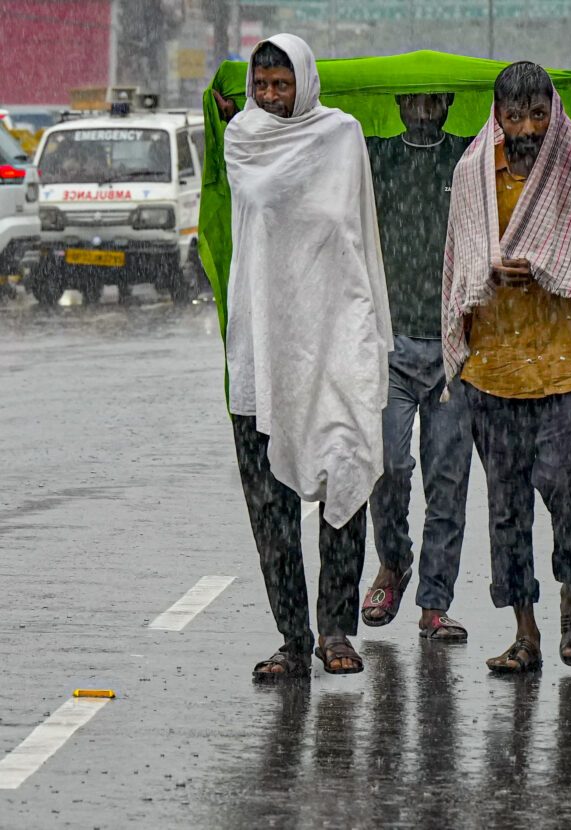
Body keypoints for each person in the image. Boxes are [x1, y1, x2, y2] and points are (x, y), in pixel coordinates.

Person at [215, 35, 392, 679]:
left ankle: (337, 630)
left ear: (305, 83)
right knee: (271, 505)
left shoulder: (340, 137)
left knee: (346, 471)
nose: (269, 96)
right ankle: (293, 638)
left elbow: (358, 231)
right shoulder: (241, 139)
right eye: (261, 84)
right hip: (264, 348)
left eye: (281, 84)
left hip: (335, 337)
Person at [442, 62, 571, 674]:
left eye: (538, 114)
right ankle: (525, 630)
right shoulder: (473, 174)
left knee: (569, 490)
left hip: (563, 365)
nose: (526, 128)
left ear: (554, 112)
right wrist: (487, 271)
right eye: (515, 116)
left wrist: (547, 268)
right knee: (506, 507)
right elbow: (462, 257)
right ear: (498, 116)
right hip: (492, 369)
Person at [357, 93, 474, 641]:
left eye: (434, 99)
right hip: (391, 343)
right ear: (399, 101)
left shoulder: (467, 157)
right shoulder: (376, 155)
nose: (424, 110)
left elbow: (534, 156)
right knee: (387, 464)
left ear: (449, 102)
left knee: (447, 480)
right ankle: (394, 561)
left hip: (454, 346)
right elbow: (308, 142)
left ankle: (434, 602)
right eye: (414, 99)